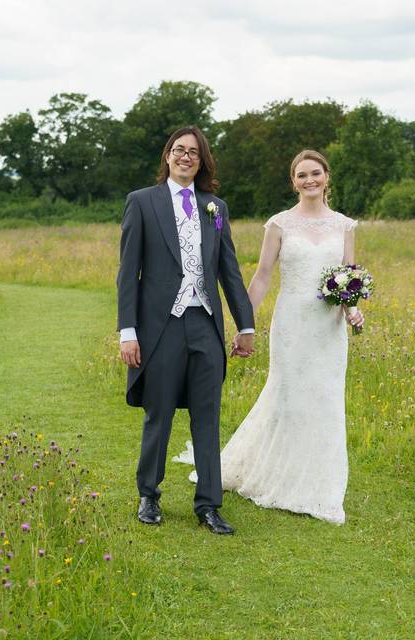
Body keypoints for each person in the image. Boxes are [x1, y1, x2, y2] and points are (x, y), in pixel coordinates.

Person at [191, 149, 363, 524]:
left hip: (328, 329)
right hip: (292, 324)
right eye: (301, 175)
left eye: (315, 173)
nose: (309, 180)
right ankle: (279, 477)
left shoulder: (345, 226)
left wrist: (352, 310)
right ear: (293, 181)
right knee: (287, 396)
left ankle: (321, 486)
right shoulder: (280, 224)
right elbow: (263, 276)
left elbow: (349, 276)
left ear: (326, 177)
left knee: (325, 400)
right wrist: (244, 323)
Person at [117, 126, 255, 535]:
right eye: (179, 150)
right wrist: (128, 331)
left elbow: (229, 271)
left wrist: (245, 324)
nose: (185, 157)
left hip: (204, 324)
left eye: (194, 152)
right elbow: (129, 274)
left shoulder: (216, 208)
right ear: (167, 156)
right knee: (158, 413)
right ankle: (149, 494)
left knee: (207, 416)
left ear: (202, 159)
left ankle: (209, 504)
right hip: (161, 327)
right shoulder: (142, 203)